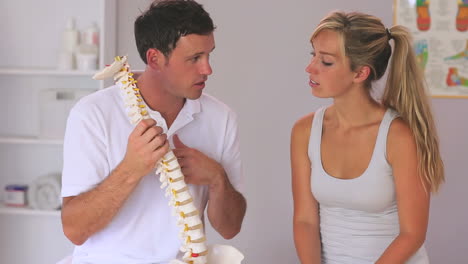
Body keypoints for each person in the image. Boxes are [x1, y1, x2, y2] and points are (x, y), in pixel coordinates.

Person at [60, 1, 246, 263]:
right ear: (154, 59)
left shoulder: (222, 118)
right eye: (194, 59)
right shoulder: (93, 114)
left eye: (208, 55)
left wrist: (217, 178)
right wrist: (131, 168)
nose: (207, 69)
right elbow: (74, 230)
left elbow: (230, 228)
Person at [291, 11, 445, 264]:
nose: (311, 68)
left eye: (326, 62)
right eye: (313, 55)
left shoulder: (398, 137)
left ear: (360, 73)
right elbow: (305, 220)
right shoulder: (304, 131)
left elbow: (412, 234)